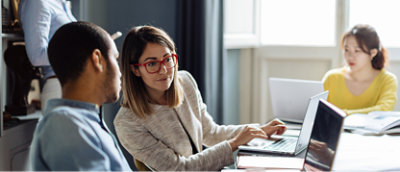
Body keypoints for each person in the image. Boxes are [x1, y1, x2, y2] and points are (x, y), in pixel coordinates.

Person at [114, 25, 287, 171]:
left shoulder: (185, 82)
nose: (164, 70)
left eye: (168, 59)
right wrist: (235, 143)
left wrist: (258, 131)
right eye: (152, 63)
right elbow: (181, 169)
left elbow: (210, 133)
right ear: (135, 70)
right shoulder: (127, 123)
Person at [28, 21, 131, 171]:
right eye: (115, 59)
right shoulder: (65, 123)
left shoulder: (85, 120)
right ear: (97, 59)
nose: (120, 72)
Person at [323, 24, 397, 115]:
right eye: (346, 50)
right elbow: (318, 109)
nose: (350, 56)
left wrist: (343, 114)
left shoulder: (387, 80)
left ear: (373, 53)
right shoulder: (332, 78)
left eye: (357, 51)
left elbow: (384, 110)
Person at [19, 0, 77, 113]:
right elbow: (37, 56)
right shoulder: (37, 2)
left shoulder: (61, 3)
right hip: (59, 89)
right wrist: (79, 53)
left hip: (75, 84)